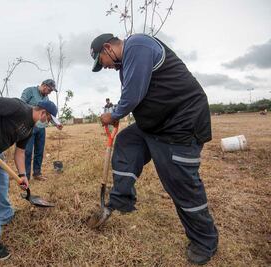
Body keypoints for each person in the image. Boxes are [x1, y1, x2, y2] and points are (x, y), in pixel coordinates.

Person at [90, 33, 218, 265]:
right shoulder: (129, 60)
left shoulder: (137, 45)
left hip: (180, 125)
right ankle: (122, 198)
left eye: (102, 61)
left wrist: (115, 114)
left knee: (181, 185)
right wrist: (120, 110)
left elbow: (133, 93)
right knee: (128, 142)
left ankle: (204, 241)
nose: (104, 67)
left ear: (108, 47)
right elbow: (136, 92)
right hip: (156, 126)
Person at [0, 96, 60, 260]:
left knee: (2, 184)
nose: (47, 123)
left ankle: (5, 215)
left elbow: (19, 153)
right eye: (49, 119)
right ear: (43, 113)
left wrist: (23, 175)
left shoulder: (30, 129)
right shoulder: (19, 107)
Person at [21, 79, 62, 181]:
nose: (50, 92)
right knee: (28, 152)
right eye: (49, 89)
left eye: (51, 91)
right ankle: (26, 176)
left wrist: (56, 123)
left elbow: (48, 114)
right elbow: (21, 105)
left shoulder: (46, 98)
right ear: (44, 85)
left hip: (41, 128)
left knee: (39, 151)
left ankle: (37, 173)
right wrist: (37, 108)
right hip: (30, 126)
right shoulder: (29, 91)